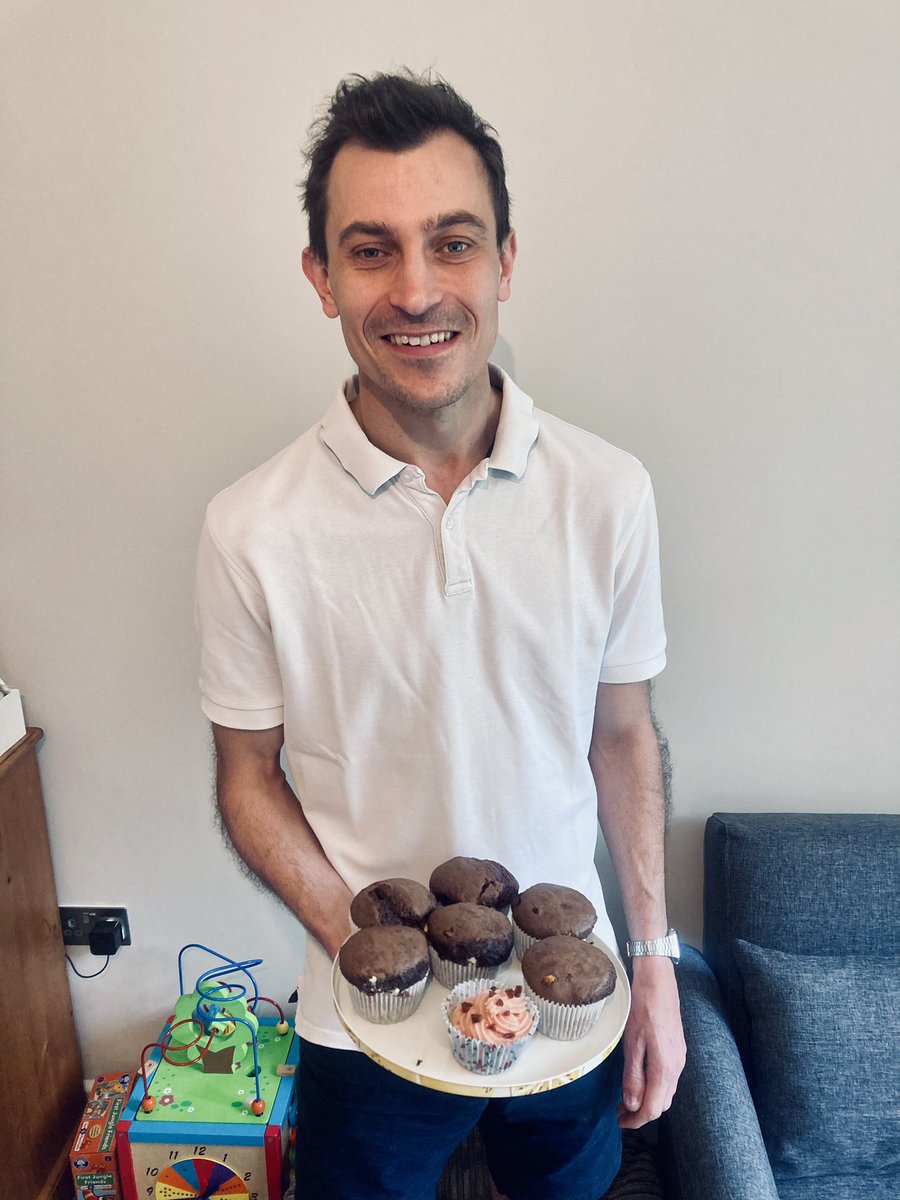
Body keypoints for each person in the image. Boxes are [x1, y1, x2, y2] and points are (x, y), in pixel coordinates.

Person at [195, 70, 685, 1200]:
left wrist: (653, 965)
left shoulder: (612, 493)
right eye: (371, 250)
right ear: (321, 277)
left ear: (506, 259)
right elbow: (246, 779)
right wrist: (368, 947)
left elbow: (624, 738)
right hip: (358, 1020)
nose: (417, 290)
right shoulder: (247, 529)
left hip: (573, 995)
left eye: (452, 242)